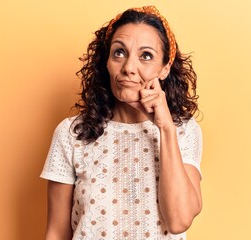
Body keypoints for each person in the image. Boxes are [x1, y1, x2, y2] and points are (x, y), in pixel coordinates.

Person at [40, 5, 203, 240]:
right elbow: (56, 232)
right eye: (119, 53)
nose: (128, 68)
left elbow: (178, 221)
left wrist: (166, 128)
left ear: (165, 68)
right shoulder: (72, 133)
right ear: (106, 61)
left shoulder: (183, 130)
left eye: (146, 56)